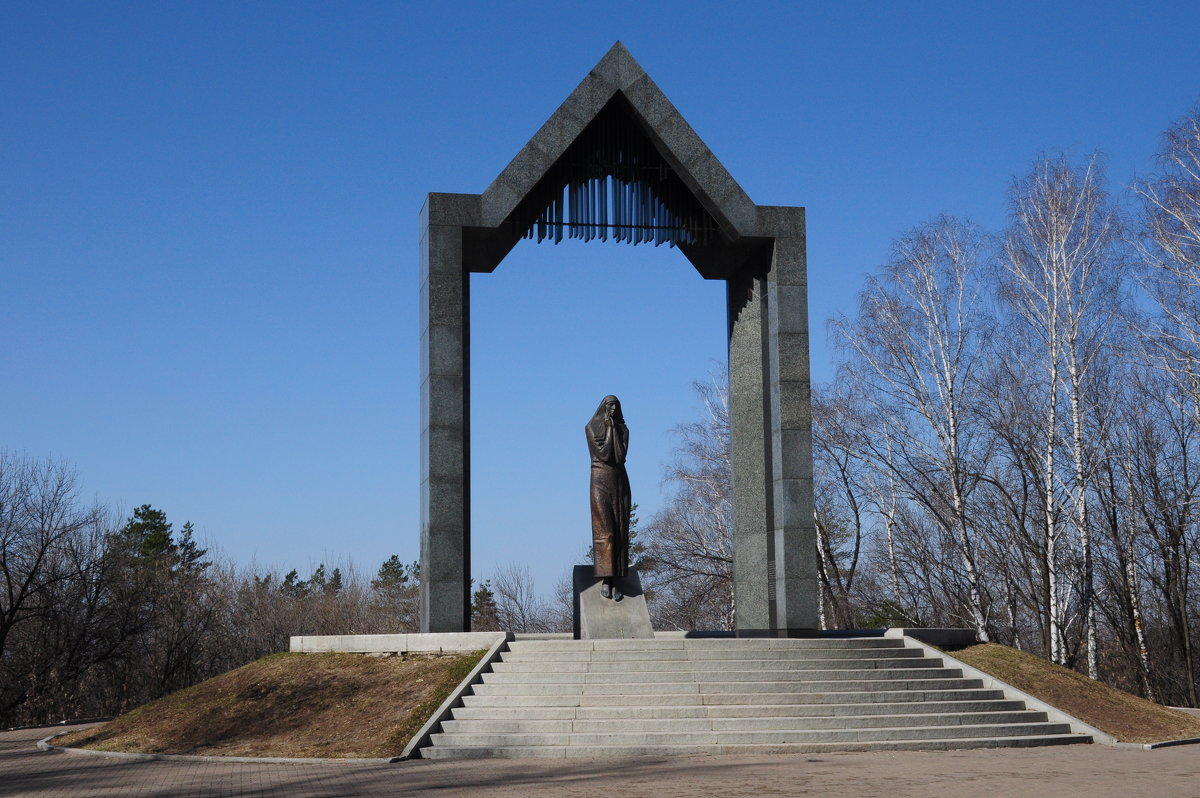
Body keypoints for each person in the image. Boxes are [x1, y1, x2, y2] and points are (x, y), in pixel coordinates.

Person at [586, 395, 631, 600]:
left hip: (619, 483)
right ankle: (606, 578)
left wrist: (614, 429)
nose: (613, 408)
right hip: (599, 481)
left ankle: (617, 580)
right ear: (603, 407)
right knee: (606, 531)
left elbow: (619, 456)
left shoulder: (624, 430)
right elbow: (604, 455)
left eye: (616, 405)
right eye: (609, 405)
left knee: (620, 532)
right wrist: (609, 429)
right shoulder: (591, 428)